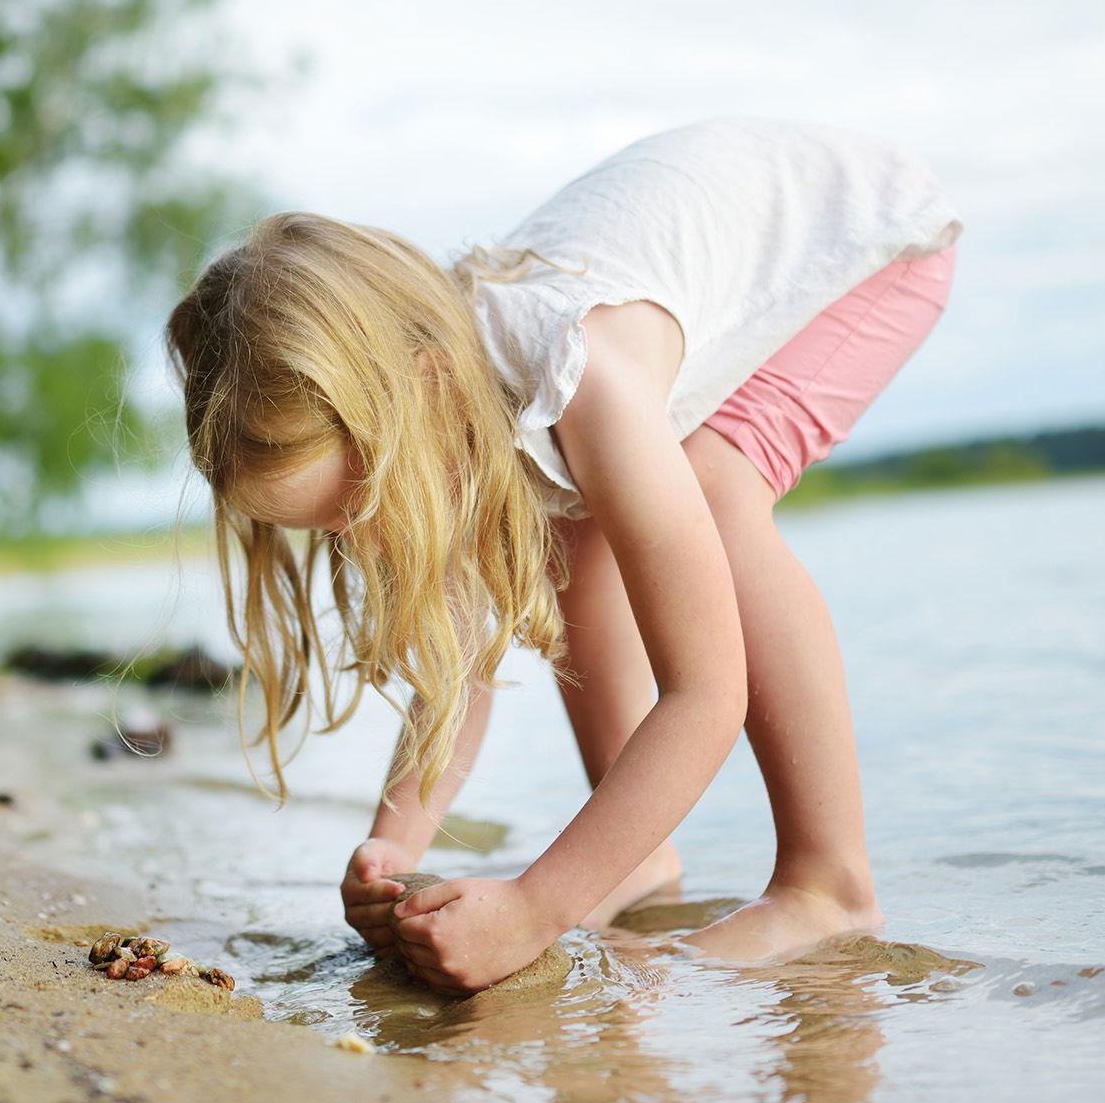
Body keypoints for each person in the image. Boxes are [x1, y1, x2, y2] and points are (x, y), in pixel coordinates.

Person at [165, 116, 961, 994]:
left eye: (359, 504)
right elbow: (459, 659)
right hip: (737, 241)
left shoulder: (581, 377)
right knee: (565, 531)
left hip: (866, 244)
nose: (361, 537)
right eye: (329, 530)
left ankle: (827, 884)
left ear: (422, 388)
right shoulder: (447, 401)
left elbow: (706, 692)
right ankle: (636, 855)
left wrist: (537, 907)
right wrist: (395, 845)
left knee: (711, 488)